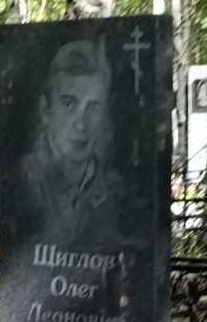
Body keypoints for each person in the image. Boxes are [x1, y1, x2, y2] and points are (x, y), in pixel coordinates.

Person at [13, 38, 124, 244]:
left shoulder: (116, 189)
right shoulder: (23, 180)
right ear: (45, 110)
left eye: (93, 108)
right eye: (68, 104)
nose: (81, 124)